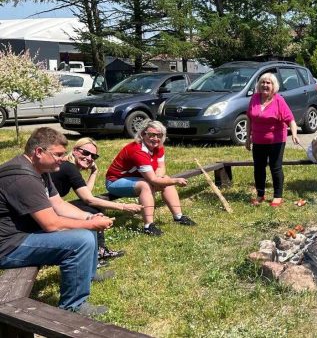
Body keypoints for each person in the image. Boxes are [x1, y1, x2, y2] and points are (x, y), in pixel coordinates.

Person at [0, 127, 113, 316]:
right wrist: (90, 224)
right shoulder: (22, 178)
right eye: (58, 154)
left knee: (87, 224)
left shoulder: (40, 170)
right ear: (38, 152)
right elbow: (52, 224)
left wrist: (89, 218)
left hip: (23, 233)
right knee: (81, 240)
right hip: (8, 245)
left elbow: (59, 204)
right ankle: (73, 307)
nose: (63, 158)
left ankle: (88, 274)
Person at [51, 137, 142, 262]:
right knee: (93, 208)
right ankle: (97, 252)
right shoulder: (69, 168)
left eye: (94, 156)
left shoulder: (69, 166)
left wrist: (94, 172)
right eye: (86, 153)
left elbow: (86, 194)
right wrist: (124, 206)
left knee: (92, 207)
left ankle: (100, 250)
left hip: (50, 207)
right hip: (46, 212)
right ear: (75, 150)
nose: (89, 158)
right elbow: (89, 199)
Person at [106, 120, 196, 236]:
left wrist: (161, 178)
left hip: (137, 179)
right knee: (147, 185)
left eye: (159, 135)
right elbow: (152, 180)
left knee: (165, 179)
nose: (155, 138)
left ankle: (178, 216)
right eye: (151, 135)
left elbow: (161, 167)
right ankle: (148, 226)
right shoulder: (137, 150)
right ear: (143, 134)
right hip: (115, 181)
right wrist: (175, 181)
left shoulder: (158, 147)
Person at [244, 73, 300, 206]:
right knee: (258, 168)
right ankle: (260, 195)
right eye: (263, 82)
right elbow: (249, 118)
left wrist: (294, 134)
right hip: (258, 140)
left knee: (275, 167)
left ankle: (278, 196)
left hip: (276, 140)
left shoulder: (279, 100)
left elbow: (290, 119)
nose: (265, 85)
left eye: (268, 83)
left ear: (274, 86)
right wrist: (248, 137)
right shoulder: (255, 98)